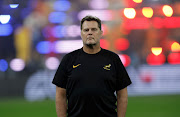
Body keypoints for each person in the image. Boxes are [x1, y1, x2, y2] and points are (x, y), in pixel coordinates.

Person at [52, 15, 132, 117]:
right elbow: (60, 95)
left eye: (94, 29)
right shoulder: (69, 59)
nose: (90, 32)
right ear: (81, 34)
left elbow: (122, 94)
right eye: (86, 30)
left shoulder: (113, 59)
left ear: (101, 33)